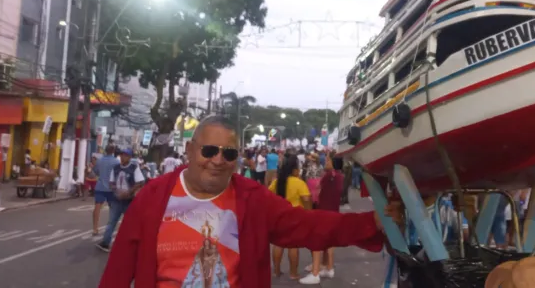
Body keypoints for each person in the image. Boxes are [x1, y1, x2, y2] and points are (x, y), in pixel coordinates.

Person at [98, 115, 399, 288]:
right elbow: (119, 269)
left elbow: (308, 226)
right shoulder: (153, 197)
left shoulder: (252, 199)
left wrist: (370, 221)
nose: (218, 160)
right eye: (209, 151)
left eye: (228, 154)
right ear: (190, 150)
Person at [301, 156, 344, 284]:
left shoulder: (329, 176)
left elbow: (319, 190)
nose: (326, 162)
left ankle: (315, 273)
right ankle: (329, 267)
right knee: (330, 242)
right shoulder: (340, 177)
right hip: (334, 212)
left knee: (317, 241)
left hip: (324, 211)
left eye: (329, 161)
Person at [269, 155, 311, 279]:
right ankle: (293, 273)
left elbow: (268, 195)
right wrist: (309, 213)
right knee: (293, 245)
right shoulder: (299, 182)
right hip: (295, 217)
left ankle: (276, 271)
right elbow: (306, 199)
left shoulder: (277, 182)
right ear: (294, 169)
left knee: (278, 244)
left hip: (278, 217)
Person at [97, 148, 145, 252]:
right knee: (111, 222)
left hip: (129, 200)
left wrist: (128, 192)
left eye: (125, 155)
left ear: (130, 157)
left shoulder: (134, 168)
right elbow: (111, 182)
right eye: (122, 155)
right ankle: (105, 242)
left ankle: (131, 245)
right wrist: (116, 191)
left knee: (131, 223)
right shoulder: (116, 168)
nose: (123, 157)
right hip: (116, 199)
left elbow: (140, 182)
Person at [92, 146, 120, 236]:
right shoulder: (116, 161)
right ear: (113, 151)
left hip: (100, 186)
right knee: (113, 209)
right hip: (111, 188)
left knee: (97, 207)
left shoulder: (99, 160)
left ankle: (95, 228)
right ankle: (110, 228)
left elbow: (95, 171)